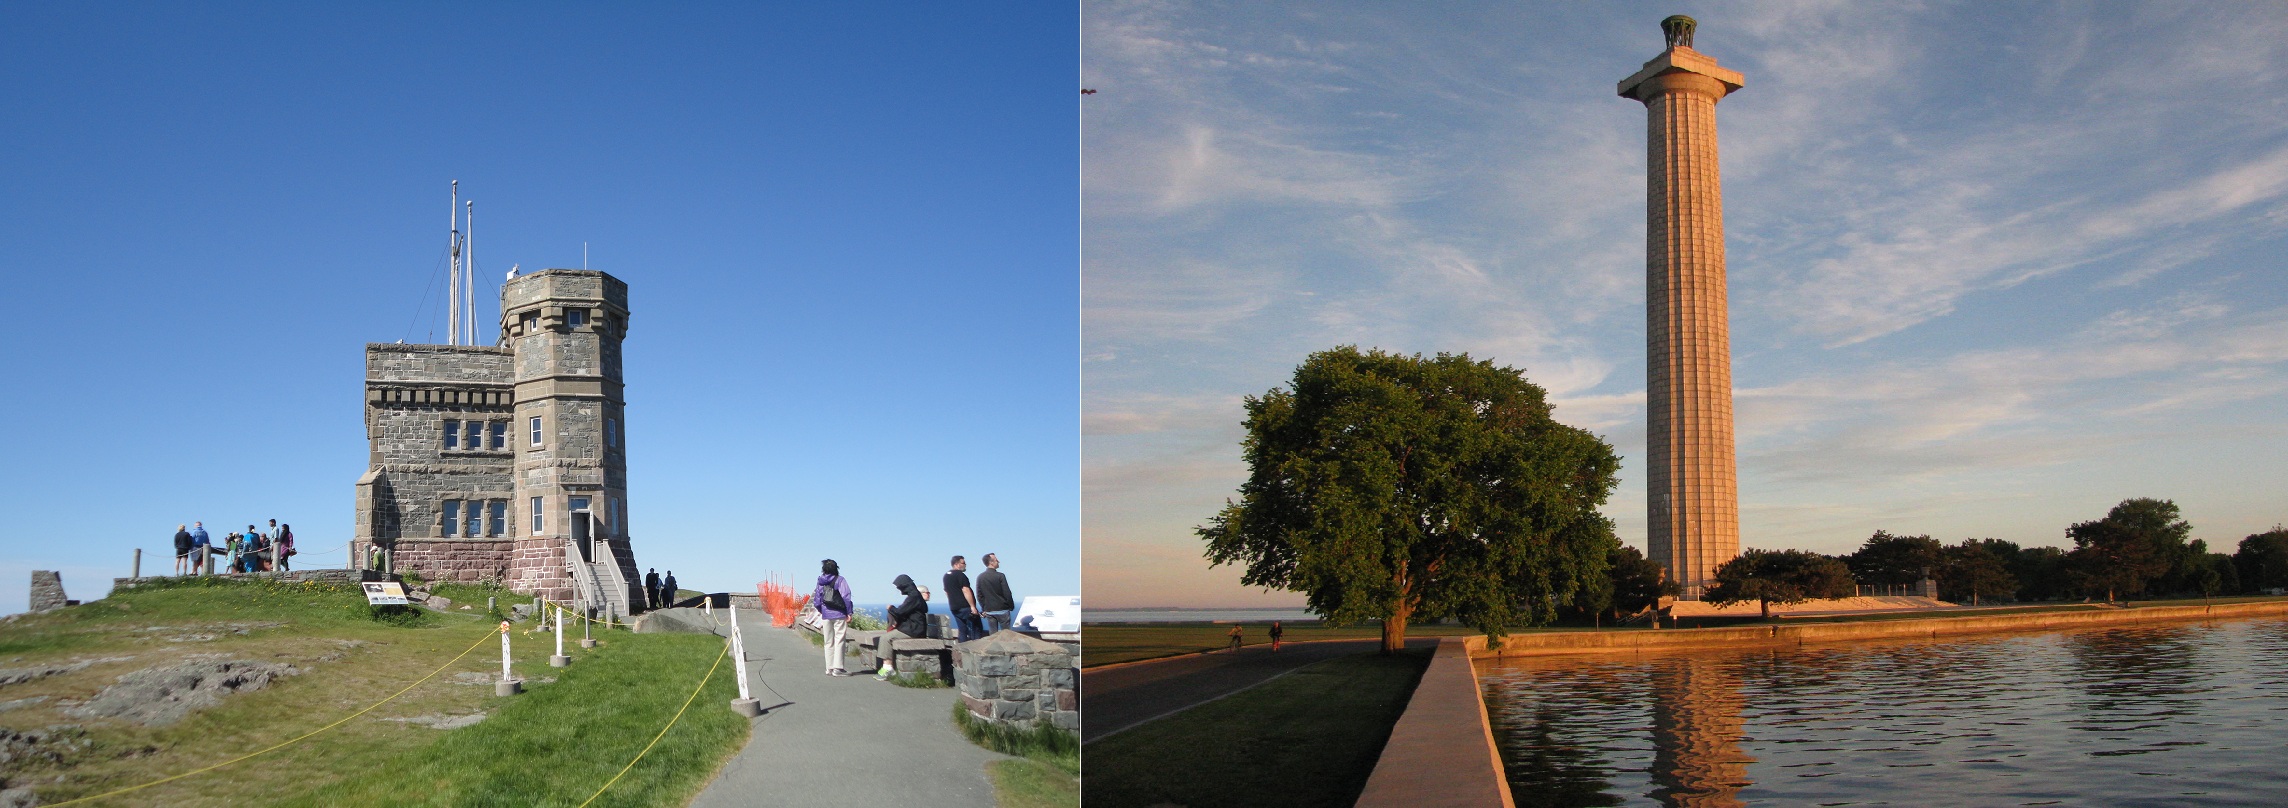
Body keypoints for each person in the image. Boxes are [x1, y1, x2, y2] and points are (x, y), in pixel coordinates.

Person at [814, 560, 855, 676]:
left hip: (826, 615)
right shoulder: (840, 580)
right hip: (839, 614)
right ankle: (838, 668)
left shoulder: (820, 581)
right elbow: (846, 597)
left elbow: (817, 600)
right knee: (839, 640)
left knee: (828, 642)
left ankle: (829, 668)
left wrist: (822, 611)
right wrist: (849, 612)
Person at [944, 556, 984, 643]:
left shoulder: (946, 576)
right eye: (963, 563)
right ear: (956, 564)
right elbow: (966, 590)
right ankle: (976, 649)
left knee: (962, 630)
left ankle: (961, 651)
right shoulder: (960, 575)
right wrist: (973, 606)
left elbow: (947, 592)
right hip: (965, 606)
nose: (965, 565)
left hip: (954, 607)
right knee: (976, 628)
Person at [976, 553, 1015, 635]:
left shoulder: (980, 577)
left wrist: (984, 608)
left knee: (993, 634)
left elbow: (979, 595)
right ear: (991, 563)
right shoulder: (1000, 576)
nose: (998, 561)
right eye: (996, 560)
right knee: (1006, 634)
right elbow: (1007, 593)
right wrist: (1011, 606)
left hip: (989, 610)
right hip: (1002, 609)